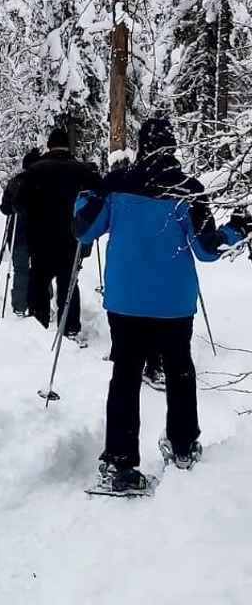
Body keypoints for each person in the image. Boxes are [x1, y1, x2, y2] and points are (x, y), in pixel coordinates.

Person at [74, 117, 250, 492]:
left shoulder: (117, 185)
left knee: (125, 376)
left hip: (126, 302)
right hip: (174, 303)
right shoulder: (190, 190)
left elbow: (84, 230)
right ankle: (184, 447)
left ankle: (120, 463)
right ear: (173, 148)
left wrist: (86, 193)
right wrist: (237, 229)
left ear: (141, 146)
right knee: (180, 371)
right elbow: (206, 250)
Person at [20, 127, 100, 337]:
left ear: (49, 145)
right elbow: (98, 196)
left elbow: (19, 204)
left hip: (40, 237)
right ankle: (70, 327)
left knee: (39, 281)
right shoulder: (81, 171)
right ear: (68, 146)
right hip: (71, 237)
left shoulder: (34, 171)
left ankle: (38, 326)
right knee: (68, 283)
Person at [0, 148, 40, 316]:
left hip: (19, 235)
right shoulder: (44, 182)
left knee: (21, 269)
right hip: (40, 234)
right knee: (40, 270)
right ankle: (39, 303)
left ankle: (19, 305)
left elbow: (5, 208)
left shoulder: (15, 182)